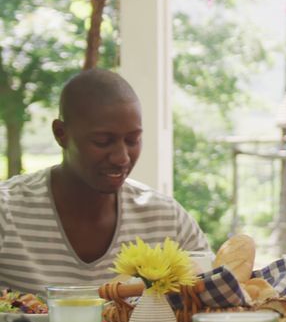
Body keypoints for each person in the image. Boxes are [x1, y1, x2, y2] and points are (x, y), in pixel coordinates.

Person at [0, 69, 210, 295]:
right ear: (61, 134)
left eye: (133, 140)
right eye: (102, 141)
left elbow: (216, 297)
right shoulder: (7, 210)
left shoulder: (167, 218)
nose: (122, 157)